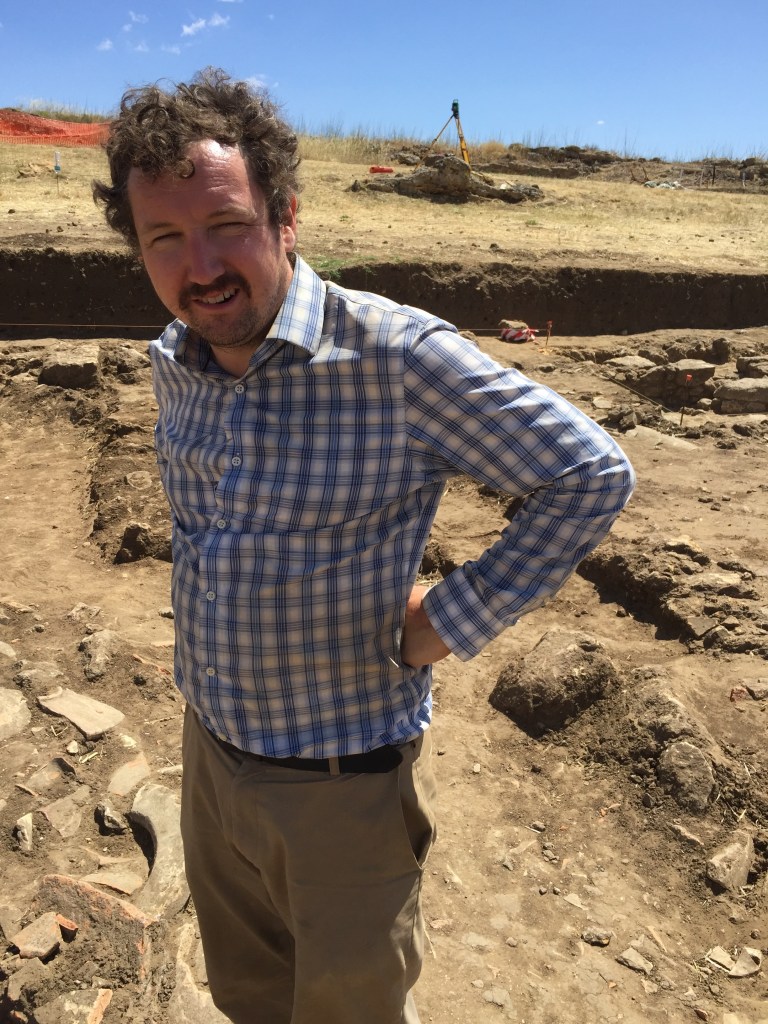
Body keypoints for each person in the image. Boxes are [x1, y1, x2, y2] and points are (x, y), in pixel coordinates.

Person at [93, 68, 635, 1024]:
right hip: (210, 756)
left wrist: (448, 619)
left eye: (227, 224)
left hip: (341, 789)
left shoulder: (396, 359)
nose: (200, 263)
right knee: (249, 996)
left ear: (287, 215)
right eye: (165, 239)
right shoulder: (173, 362)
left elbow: (589, 473)